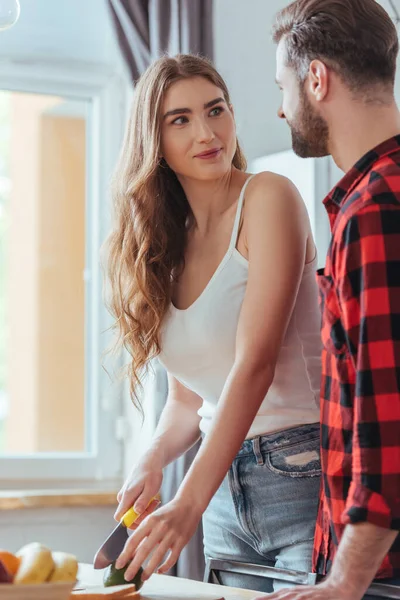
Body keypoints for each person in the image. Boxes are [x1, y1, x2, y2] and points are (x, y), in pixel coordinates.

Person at [106, 53, 322, 594]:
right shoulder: (165, 248)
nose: (207, 132)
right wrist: (152, 460)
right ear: (151, 140)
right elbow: (188, 400)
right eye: (179, 119)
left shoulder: (269, 198)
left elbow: (256, 366)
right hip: (223, 489)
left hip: (304, 471)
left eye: (215, 110)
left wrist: (186, 503)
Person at [258, 1, 400, 599]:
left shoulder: (375, 209)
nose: (281, 106)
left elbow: (386, 421)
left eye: (283, 86)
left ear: (317, 79)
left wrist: (344, 582)